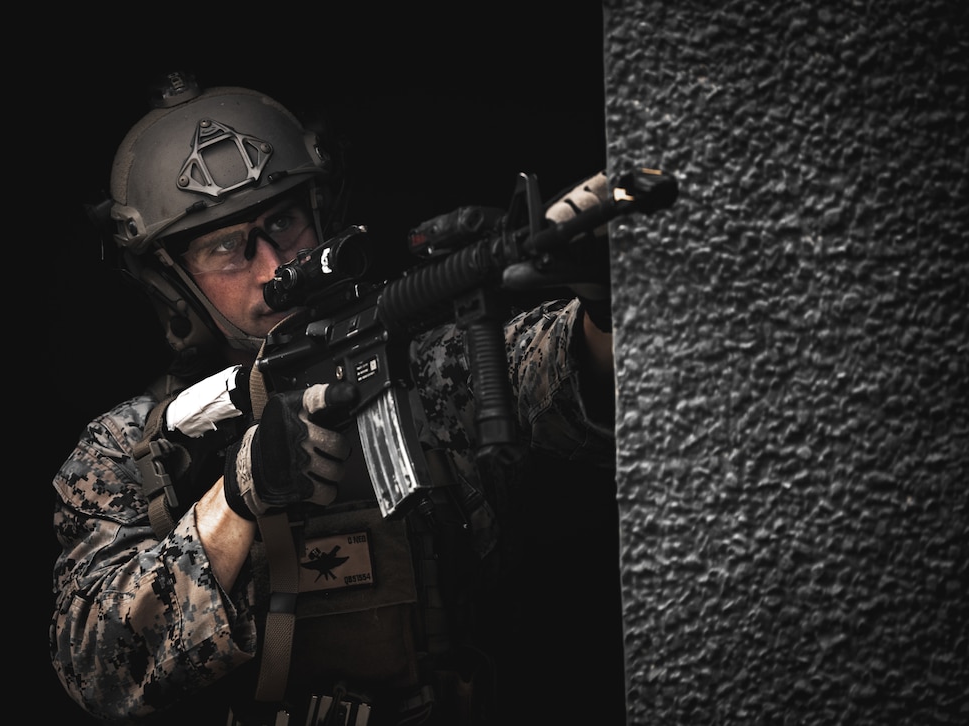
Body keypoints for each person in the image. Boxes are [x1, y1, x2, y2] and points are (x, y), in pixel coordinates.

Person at [50, 70, 616, 725]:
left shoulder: (420, 363)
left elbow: (575, 372)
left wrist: (603, 296)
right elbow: (97, 668)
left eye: (284, 222)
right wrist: (236, 501)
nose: (272, 266)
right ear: (173, 283)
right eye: (227, 248)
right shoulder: (133, 449)